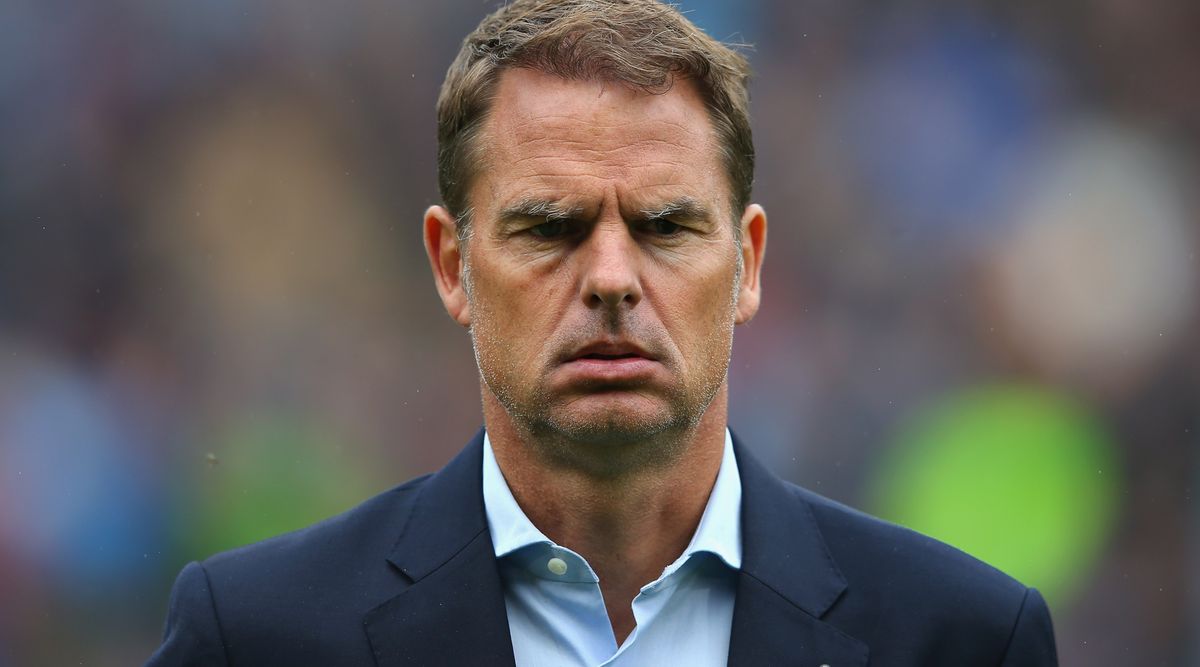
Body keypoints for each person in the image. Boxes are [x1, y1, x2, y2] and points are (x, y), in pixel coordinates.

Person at [147, 1, 1058, 665]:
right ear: (451, 265)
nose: (614, 279)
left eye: (665, 226)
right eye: (550, 227)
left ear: (749, 264)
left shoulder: (962, 638)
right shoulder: (257, 636)